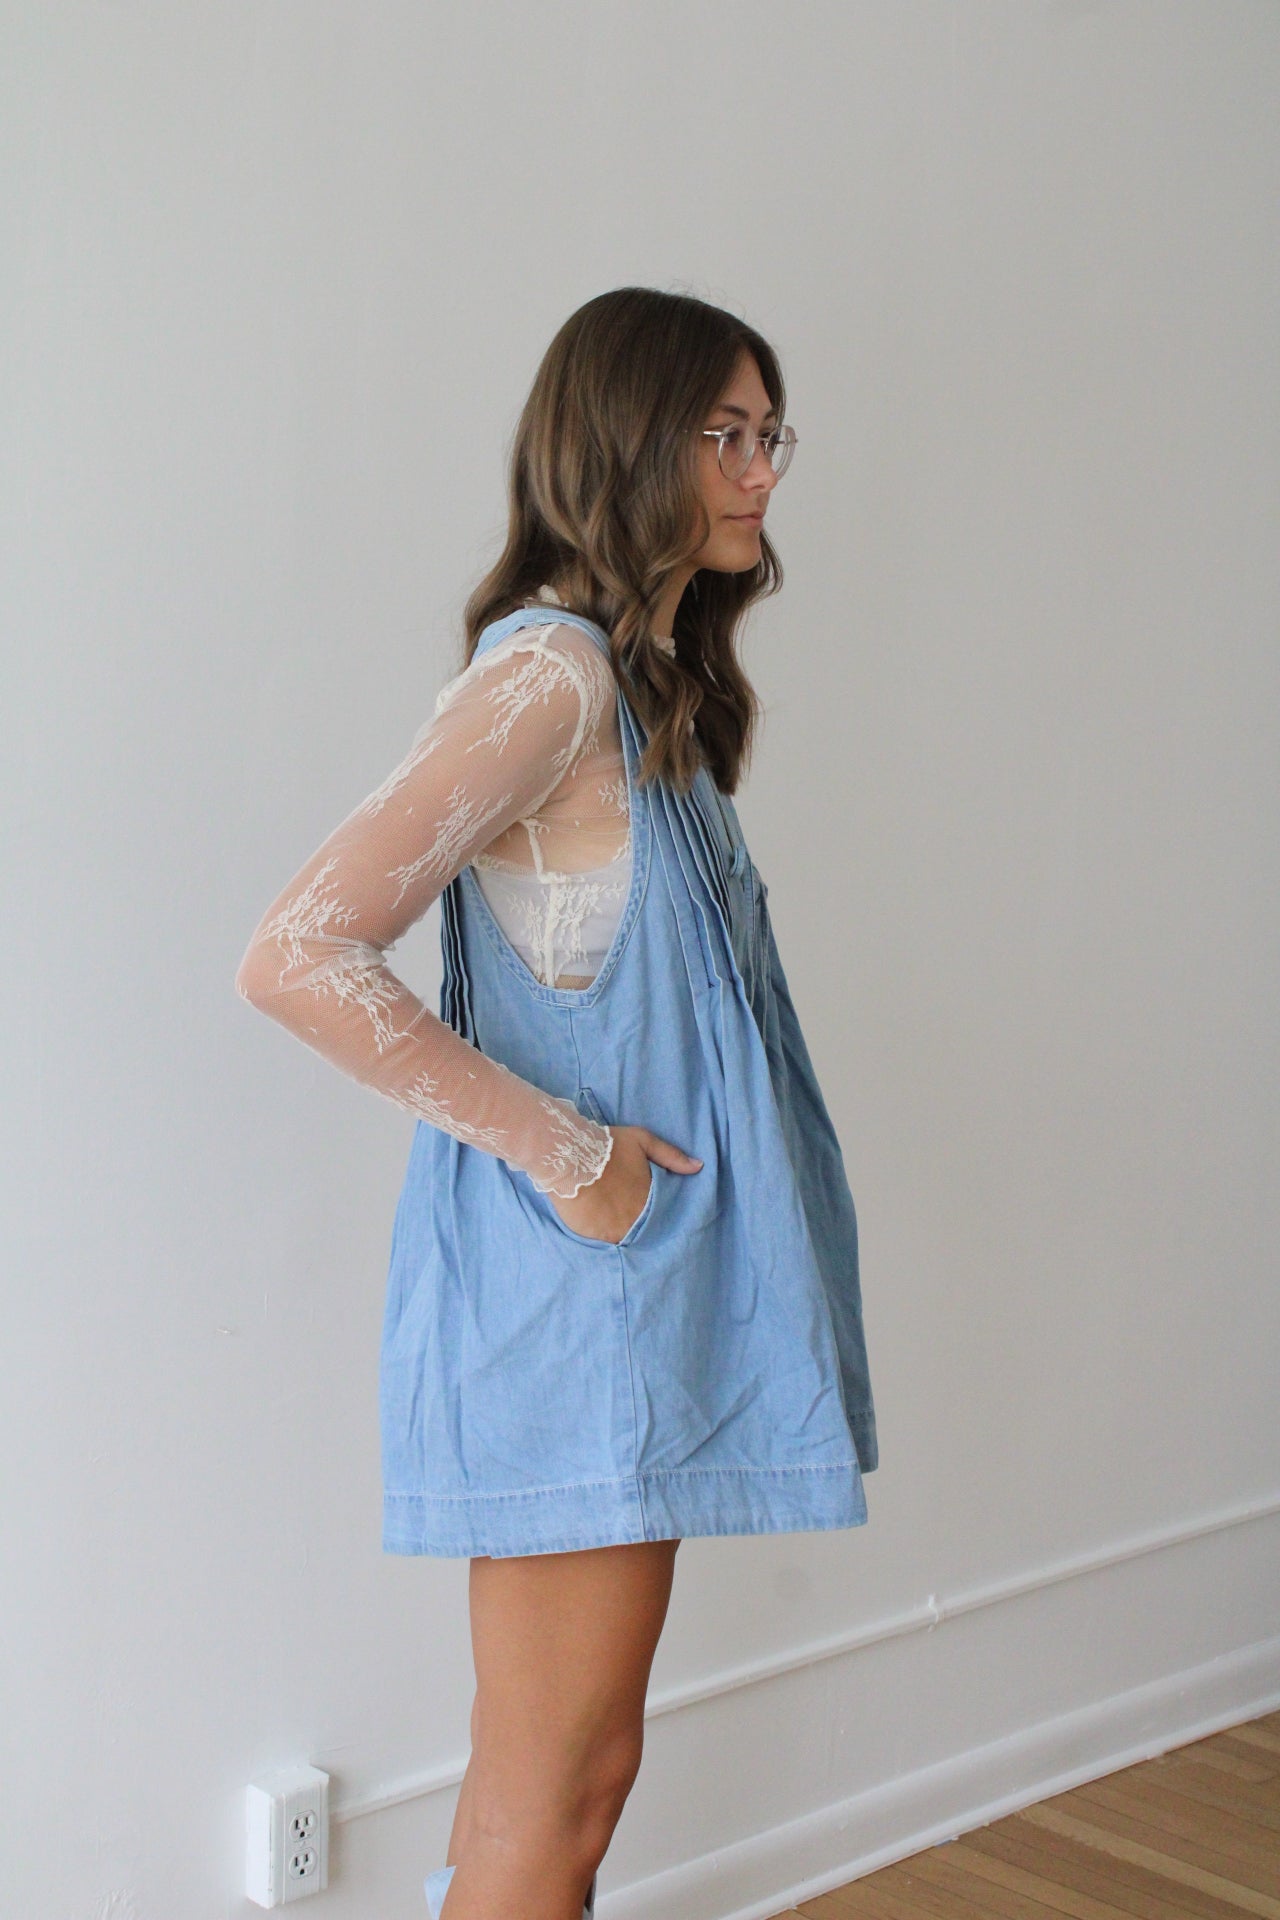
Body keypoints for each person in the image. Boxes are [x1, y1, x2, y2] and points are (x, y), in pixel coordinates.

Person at [234, 286, 876, 1920]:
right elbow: (297, 951)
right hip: (580, 1303)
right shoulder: (551, 683)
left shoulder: (640, 691)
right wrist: (575, 1155)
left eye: (771, 434)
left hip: (624, 1303)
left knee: (556, 1783)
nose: (761, 472)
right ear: (628, 442)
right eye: (726, 434)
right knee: (555, 1796)